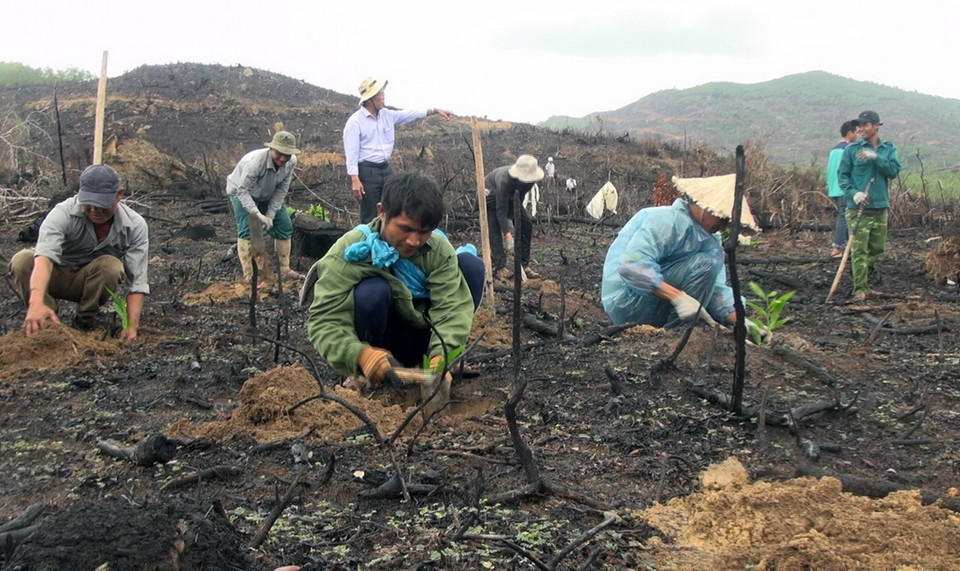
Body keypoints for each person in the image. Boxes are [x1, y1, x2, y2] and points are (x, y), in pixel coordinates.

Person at [306, 172, 484, 394]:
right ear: (382, 212)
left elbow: (452, 309)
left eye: (424, 232)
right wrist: (358, 354)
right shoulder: (351, 250)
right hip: (382, 341)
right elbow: (325, 319)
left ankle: (436, 364)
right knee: (372, 292)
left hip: (422, 336)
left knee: (470, 267)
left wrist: (442, 355)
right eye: (405, 228)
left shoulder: (437, 249)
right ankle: (365, 373)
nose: (414, 241)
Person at [601, 173, 767, 336]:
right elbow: (631, 267)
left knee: (707, 266)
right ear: (705, 206)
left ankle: (677, 333)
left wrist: (741, 321)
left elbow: (713, 289)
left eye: (728, 221)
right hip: (630, 302)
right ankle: (677, 335)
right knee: (705, 264)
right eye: (722, 218)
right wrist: (678, 298)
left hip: (658, 306)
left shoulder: (711, 239)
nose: (724, 226)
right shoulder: (667, 220)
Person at [9, 164, 149, 341]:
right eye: (89, 203)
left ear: (119, 195)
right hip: (54, 275)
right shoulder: (62, 214)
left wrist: (131, 326)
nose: (95, 210)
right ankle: (46, 321)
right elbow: (44, 258)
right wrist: (35, 303)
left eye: (101, 204)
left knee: (111, 266)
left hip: (89, 282)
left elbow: (137, 282)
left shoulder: (135, 226)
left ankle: (84, 321)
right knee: (21, 260)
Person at [343, 77, 451, 223]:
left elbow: (409, 114)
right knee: (370, 214)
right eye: (380, 95)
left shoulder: (387, 115)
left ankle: (388, 241)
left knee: (392, 206)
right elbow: (351, 153)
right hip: (367, 171)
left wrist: (434, 110)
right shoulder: (355, 122)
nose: (383, 98)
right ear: (370, 99)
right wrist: (355, 179)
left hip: (385, 168)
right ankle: (366, 243)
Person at [838, 110, 901, 301]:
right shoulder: (851, 150)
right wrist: (854, 193)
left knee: (876, 249)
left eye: (865, 125)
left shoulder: (888, 150)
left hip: (880, 207)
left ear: (876, 126)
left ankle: (863, 278)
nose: (861, 129)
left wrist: (875, 157)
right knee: (859, 250)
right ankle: (860, 289)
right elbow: (842, 177)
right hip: (857, 209)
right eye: (859, 125)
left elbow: (892, 172)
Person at [226, 131, 304, 282]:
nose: (283, 158)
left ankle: (284, 269)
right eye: (279, 154)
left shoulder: (291, 161)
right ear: (271, 149)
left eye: (287, 155)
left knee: (284, 225)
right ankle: (250, 275)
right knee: (248, 230)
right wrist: (256, 213)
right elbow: (242, 190)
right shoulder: (256, 163)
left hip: (267, 193)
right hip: (240, 191)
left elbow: (282, 188)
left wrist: (270, 214)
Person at [484, 155, 544, 278]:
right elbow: (501, 209)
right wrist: (507, 234)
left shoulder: (531, 181)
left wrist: (512, 218)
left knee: (526, 224)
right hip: (492, 192)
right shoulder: (505, 180)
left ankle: (523, 264)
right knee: (495, 223)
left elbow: (518, 201)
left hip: (511, 197)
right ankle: (499, 265)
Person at [826, 119, 860, 257]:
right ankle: (837, 248)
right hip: (844, 189)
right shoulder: (848, 149)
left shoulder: (834, 150)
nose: (857, 135)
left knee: (845, 217)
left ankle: (847, 248)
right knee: (844, 217)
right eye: (856, 132)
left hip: (834, 188)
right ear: (850, 133)